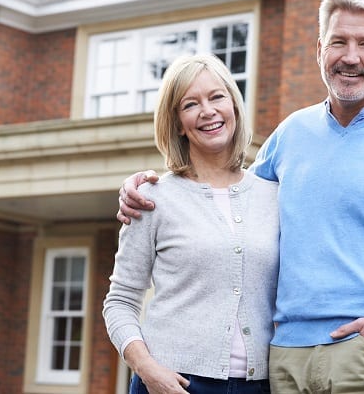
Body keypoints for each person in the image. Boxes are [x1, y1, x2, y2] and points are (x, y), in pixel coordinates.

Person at [116, 0, 364, 393]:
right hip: (282, 362)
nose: (350, 56)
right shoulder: (290, 136)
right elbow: (227, 202)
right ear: (320, 51)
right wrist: (146, 185)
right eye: (338, 42)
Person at [103, 54, 279, 394]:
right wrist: (147, 369)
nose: (207, 111)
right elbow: (120, 300)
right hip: (172, 383)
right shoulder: (153, 198)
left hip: (260, 384)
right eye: (191, 104)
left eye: (217, 97)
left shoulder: (273, 196)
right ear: (178, 123)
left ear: (234, 106)